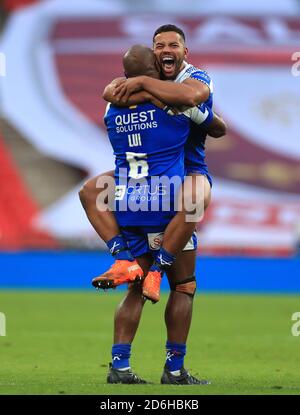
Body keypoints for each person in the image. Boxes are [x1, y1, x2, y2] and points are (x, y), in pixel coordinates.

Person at [80, 40, 226, 385]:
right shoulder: (174, 109)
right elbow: (215, 125)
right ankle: (174, 369)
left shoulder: (110, 110)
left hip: (129, 203)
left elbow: (116, 96)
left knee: (133, 291)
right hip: (166, 202)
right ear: (153, 71)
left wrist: (138, 86)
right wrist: (161, 91)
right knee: (185, 285)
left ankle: (119, 366)